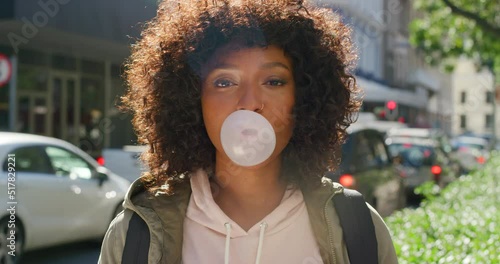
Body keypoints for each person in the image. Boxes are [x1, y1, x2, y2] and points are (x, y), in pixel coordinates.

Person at [99, 0, 398, 263]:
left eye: (274, 81)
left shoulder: (357, 227)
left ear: (304, 99)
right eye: (225, 82)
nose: (250, 103)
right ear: (192, 100)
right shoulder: (135, 234)